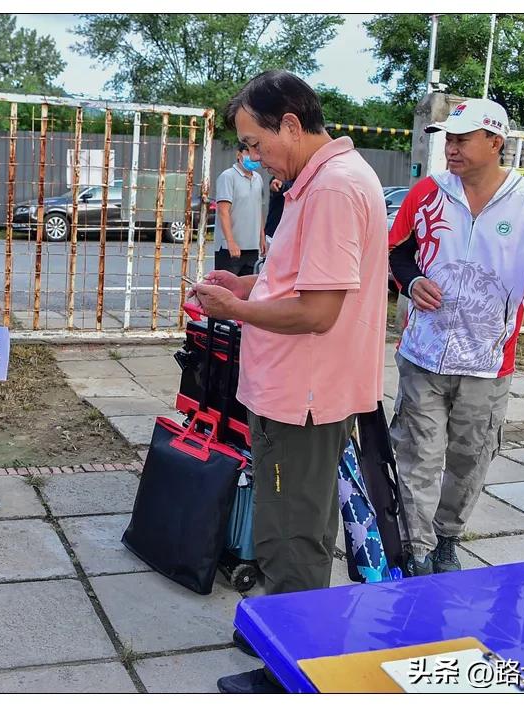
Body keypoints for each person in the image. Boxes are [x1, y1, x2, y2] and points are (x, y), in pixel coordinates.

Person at [193, 70, 388, 694]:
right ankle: (287, 628)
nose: (252, 159)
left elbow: (317, 311)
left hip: (302, 395)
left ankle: (292, 672)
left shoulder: (332, 188)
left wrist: (236, 309)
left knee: (291, 535)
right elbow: (297, 281)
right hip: (299, 389)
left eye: (255, 143)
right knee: (299, 522)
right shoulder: (318, 181)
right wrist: (245, 285)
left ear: (293, 125)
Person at [388, 98, 524, 576]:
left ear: (495, 142)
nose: (451, 149)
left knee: (469, 460)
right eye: (448, 140)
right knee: (417, 455)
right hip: (424, 355)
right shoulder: (428, 192)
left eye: (462, 139)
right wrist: (412, 281)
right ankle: (415, 551)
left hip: (487, 362)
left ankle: (446, 540)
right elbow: (396, 251)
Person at [214, 142, 266, 275]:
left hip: (252, 247)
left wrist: (262, 237)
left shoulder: (258, 179)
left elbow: (258, 210)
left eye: (256, 152)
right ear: (239, 155)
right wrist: (230, 242)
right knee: (226, 285)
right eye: (248, 151)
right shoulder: (227, 176)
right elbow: (223, 211)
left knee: (247, 286)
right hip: (229, 248)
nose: (253, 156)